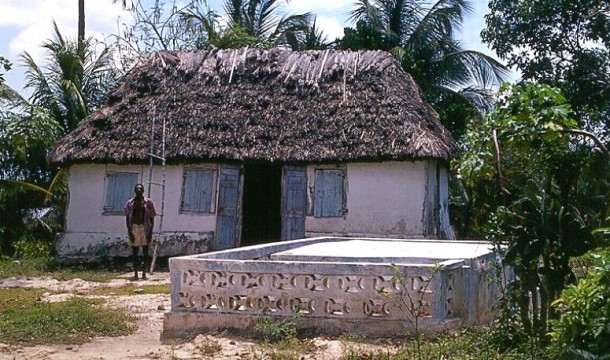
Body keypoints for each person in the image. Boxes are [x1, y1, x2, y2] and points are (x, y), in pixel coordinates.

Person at [125, 183, 156, 280]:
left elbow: (152, 218)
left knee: (145, 251)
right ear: (134, 191)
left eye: (140, 189)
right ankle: (135, 273)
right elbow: (127, 218)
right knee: (135, 251)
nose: (138, 190)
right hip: (134, 227)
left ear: (143, 191)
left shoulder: (148, 202)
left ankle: (143, 273)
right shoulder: (130, 203)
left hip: (145, 228)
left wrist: (150, 232)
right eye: (137, 189)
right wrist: (129, 231)